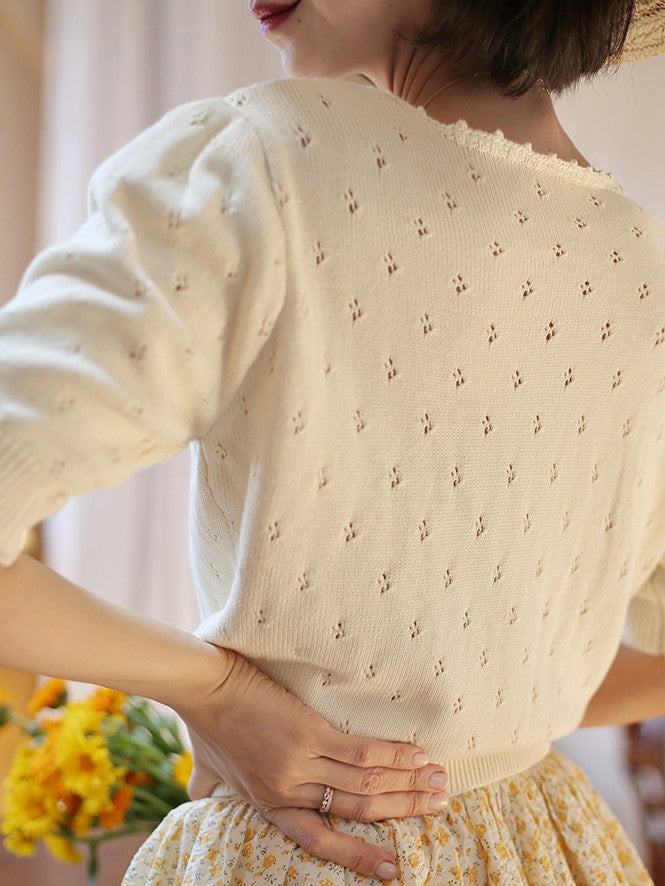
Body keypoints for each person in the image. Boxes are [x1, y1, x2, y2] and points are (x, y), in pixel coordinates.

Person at [1, 0, 665, 881]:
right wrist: (491, 718)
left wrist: (221, 691)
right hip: (554, 853)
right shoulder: (637, 266)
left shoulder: (265, 164)